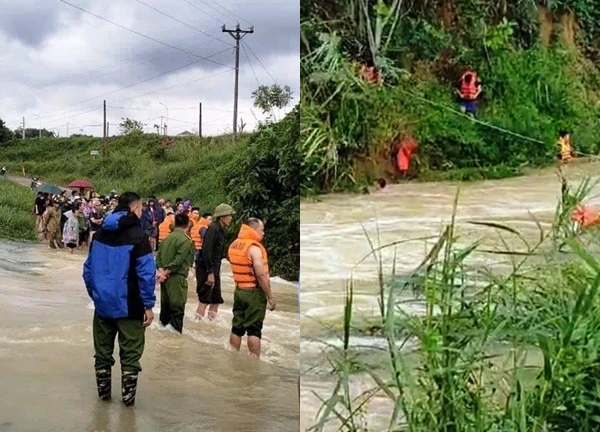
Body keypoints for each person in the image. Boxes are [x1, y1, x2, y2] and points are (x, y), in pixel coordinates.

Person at [82, 192, 156, 407]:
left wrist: (96, 294)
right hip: (130, 306)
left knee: (102, 354)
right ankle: (127, 405)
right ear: (134, 209)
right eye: (141, 208)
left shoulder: (99, 234)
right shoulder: (139, 236)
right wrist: (148, 305)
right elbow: (146, 274)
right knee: (131, 356)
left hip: (102, 305)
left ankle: (103, 400)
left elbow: (87, 271)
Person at [228, 218, 276, 358]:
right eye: (262, 230)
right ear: (254, 230)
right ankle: (254, 361)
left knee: (237, 327)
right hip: (254, 293)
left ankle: (233, 355)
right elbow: (261, 275)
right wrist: (270, 297)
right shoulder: (254, 249)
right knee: (254, 330)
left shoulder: (234, 245)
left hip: (239, 291)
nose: (263, 233)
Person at [195, 203, 235, 321]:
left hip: (214, 269)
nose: (231, 218)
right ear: (222, 216)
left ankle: (211, 324)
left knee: (216, 298)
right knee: (204, 298)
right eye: (229, 215)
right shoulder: (213, 229)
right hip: (206, 269)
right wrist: (210, 272)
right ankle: (197, 325)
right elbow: (207, 252)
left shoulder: (221, 230)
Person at [156, 213, 195, 333]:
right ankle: (175, 343)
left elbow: (158, 257)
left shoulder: (167, 238)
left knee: (165, 311)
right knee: (177, 311)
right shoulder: (186, 240)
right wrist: (166, 272)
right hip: (176, 278)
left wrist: (162, 272)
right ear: (188, 224)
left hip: (164, 279)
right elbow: (178, 261)